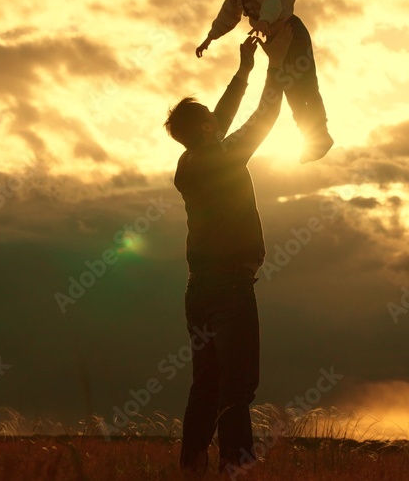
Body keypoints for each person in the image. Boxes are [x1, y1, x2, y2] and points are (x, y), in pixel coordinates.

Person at [164, 24, 295, 477]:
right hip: (229, 288)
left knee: (207, 383)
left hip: (197, 291)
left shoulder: (187, 163)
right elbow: (262, 118)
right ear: (204, 128)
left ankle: (192, 465)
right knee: (237, 386)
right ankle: (234, 469)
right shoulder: (225, 154)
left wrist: (242, 72)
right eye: (209, 120)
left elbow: (218, 119)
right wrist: (278, 73)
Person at [195, 0, 333, 164]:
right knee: (290, 90)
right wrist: (210, 37)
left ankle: (320, 132)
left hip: (292, 32)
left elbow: (273, 2)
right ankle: (311, 138)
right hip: (276, 38)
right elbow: (226, 17)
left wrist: (264, 22)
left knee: (306, 84)